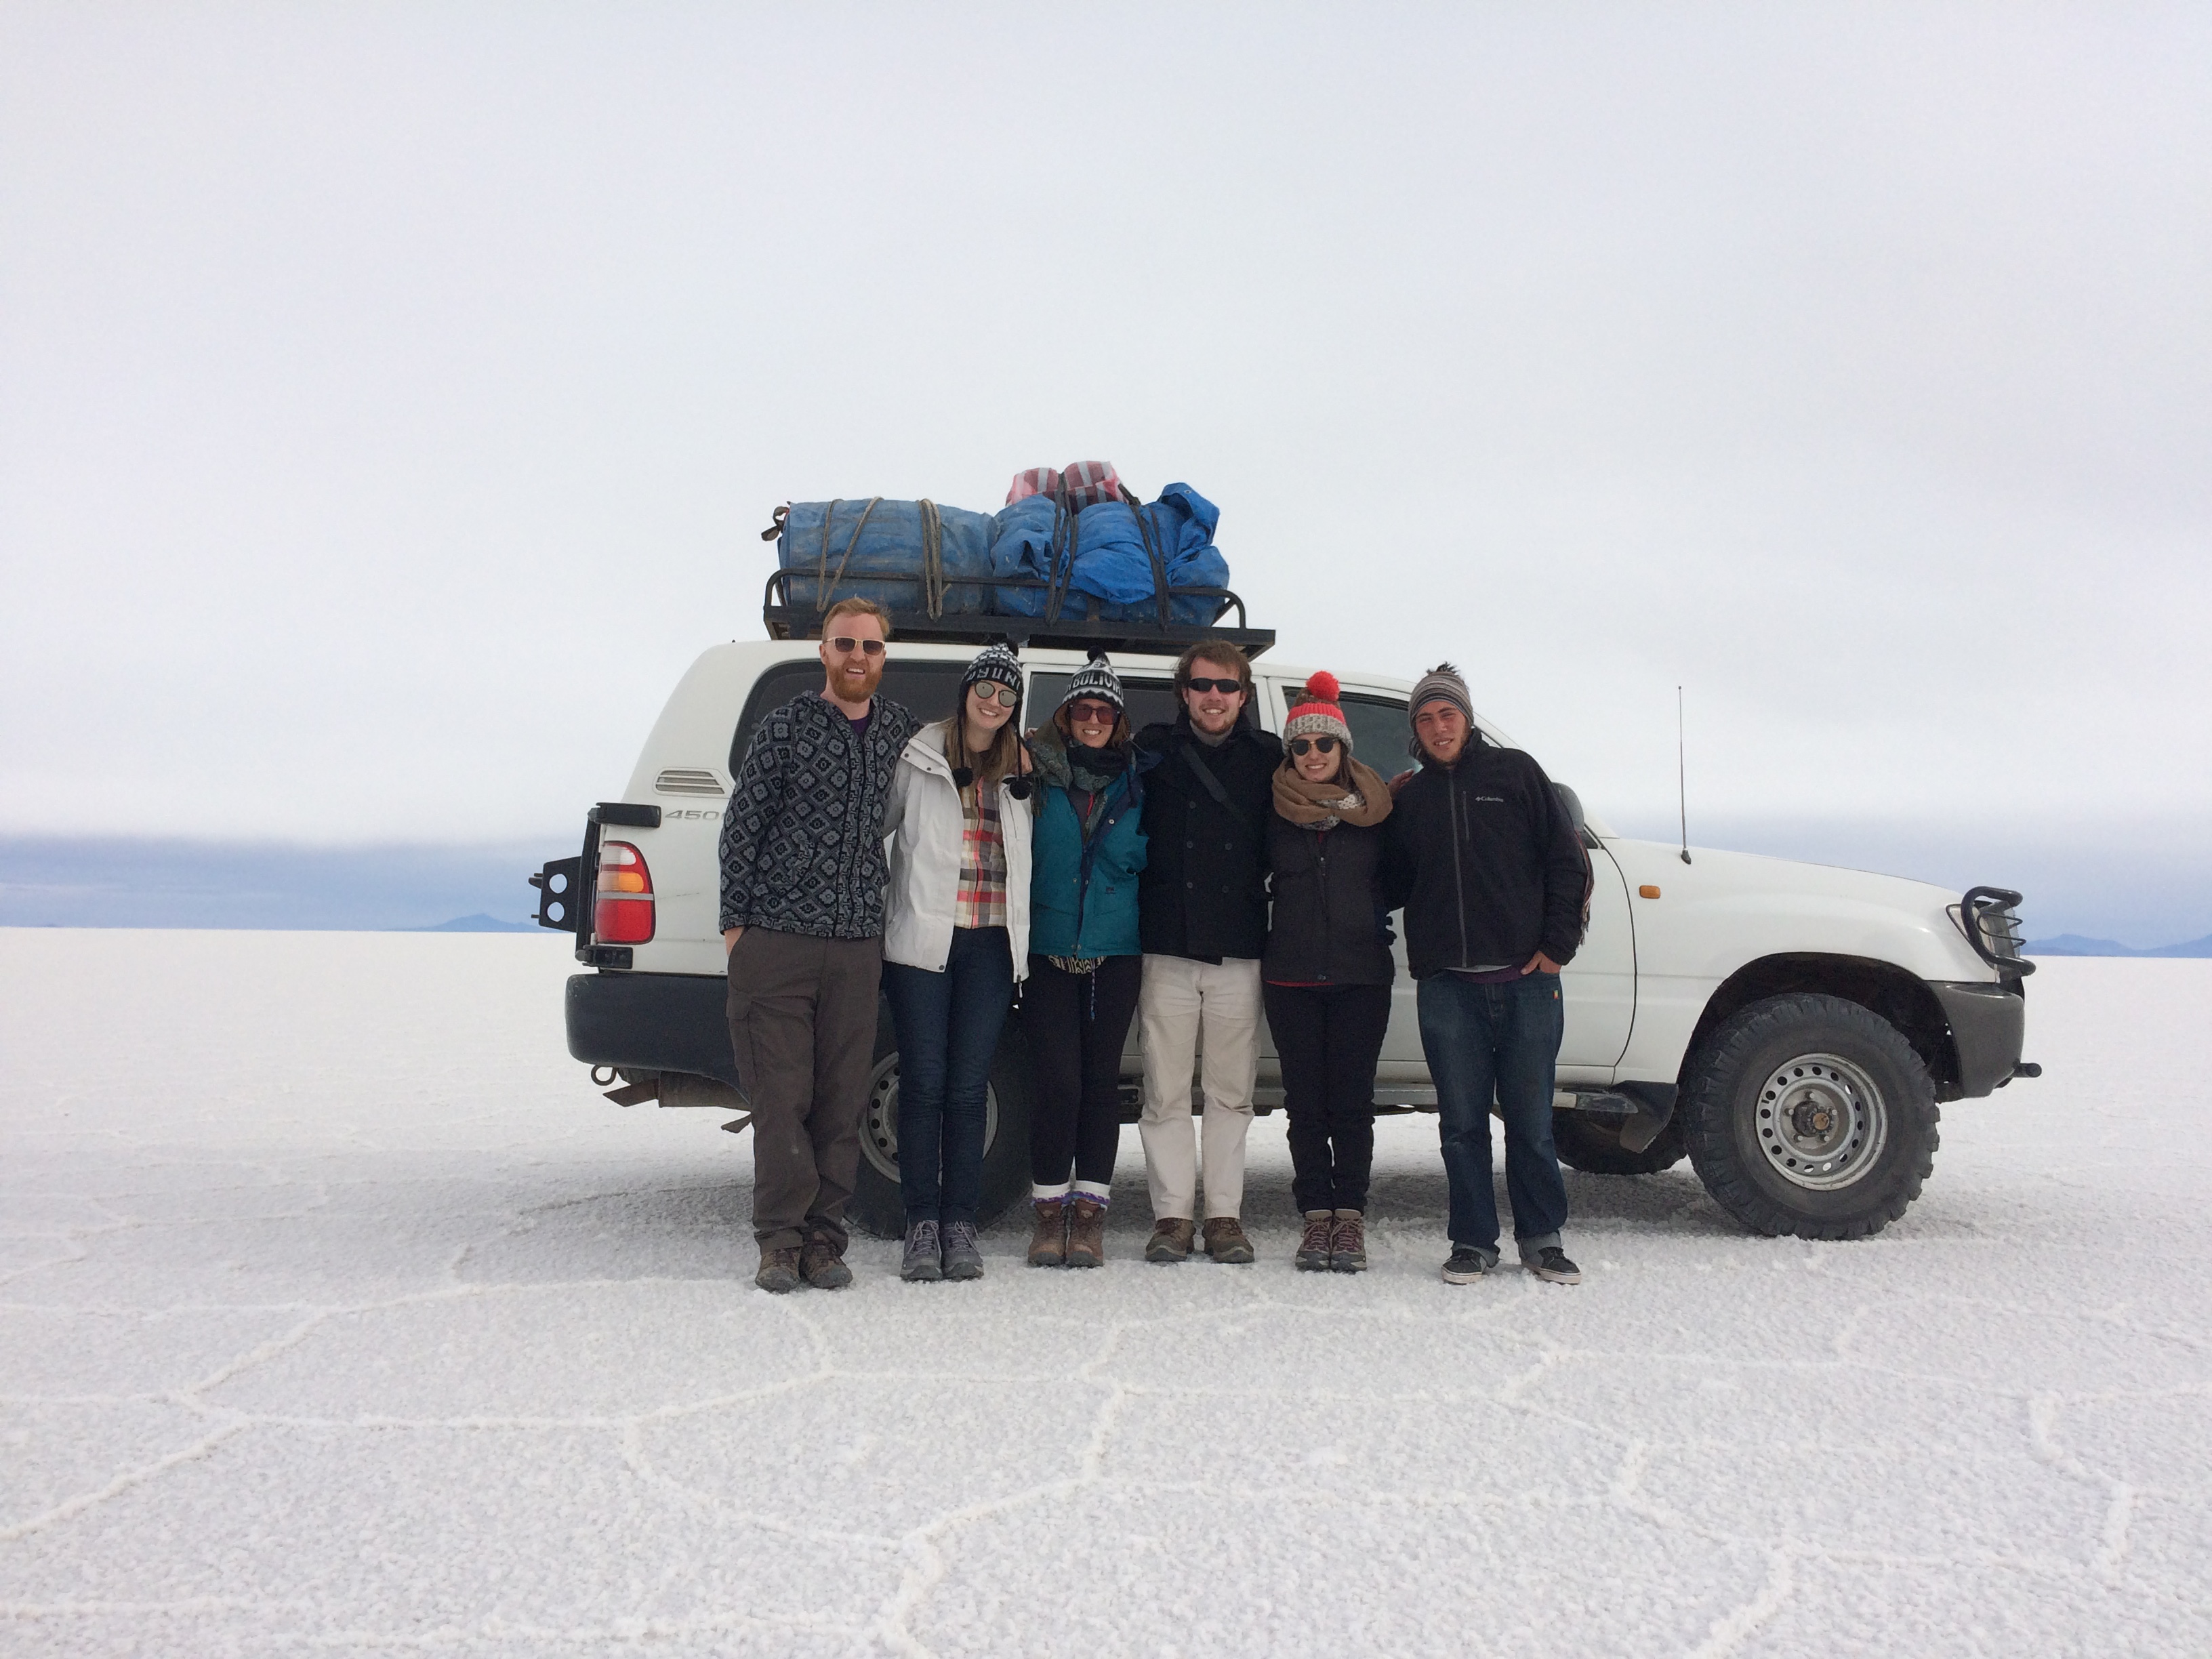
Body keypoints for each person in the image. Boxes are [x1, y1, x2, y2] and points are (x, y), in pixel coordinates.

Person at [718, 597, 921, 1293]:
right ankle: (779, 1241)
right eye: (845, 644)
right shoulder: (785, 727)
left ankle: (824, 1243)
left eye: (870, 646)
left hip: (857, 945)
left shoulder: (899, 732)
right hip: (777, 942)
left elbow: (968, 751)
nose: (857, 657)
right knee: (781, 1100)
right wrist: (738, 930)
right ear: (824, 651)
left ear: (884, 656)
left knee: (840, 1103)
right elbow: (741, 831)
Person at [1382, 663, 1590, 1286]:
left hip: (1528, 983)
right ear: (1416, 731)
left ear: (1467, 719)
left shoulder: (1516, 773)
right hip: (1449, 988)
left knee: (1531, 1123)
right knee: (1462, 1127)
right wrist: (1379, 810)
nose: (1438, 727)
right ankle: (1473, 1241)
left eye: (1447, 714)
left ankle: (1543, 1240)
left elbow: (1567, 861)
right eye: (1425, 718)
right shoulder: (1412, 799)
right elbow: (1390, 884)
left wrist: (1556, 948)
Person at [881, 644, 1034, 1283]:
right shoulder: (919, 756)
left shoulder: (1023, 767)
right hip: (924, 942)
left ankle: (960, 1223)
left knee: (970, 1089)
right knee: (923, 1083)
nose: (994, 703)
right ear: (967, 690)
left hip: (992, 945)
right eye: (985, 689)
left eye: (1007, 695)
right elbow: (873, 828)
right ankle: (921, 1222)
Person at [1134, 640, 1283, 1264]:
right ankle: (1172, 1217)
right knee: (1165, 1092)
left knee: (1230, 1093)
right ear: (1184, 693)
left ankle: (1224, 1217)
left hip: (1239, 947)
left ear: (1243, 695)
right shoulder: (1151, 751)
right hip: (1166, 944)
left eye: (1226, 686)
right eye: (1202, 686)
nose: (1213, 697)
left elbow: (1323, 792)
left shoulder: (1270, 757)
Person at [1020, 655, 1151, 1269]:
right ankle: (1049, 1214)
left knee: (1101, 1084)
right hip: (1048, 948)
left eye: (1104, 711)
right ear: (1065, 715)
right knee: (1057, 1082)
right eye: (1082, 709)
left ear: (1119, 721)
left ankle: (1090, 1217)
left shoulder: (1140, 782)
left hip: (1114, 951)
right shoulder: (1034, 774)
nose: (1093, 720)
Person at [1263, 671, 1395, 1273]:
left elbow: (1399, 879)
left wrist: (1369, 917)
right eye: (1301, 745)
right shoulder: (1272, 811)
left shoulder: (1376, 812)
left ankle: (1352, 1217)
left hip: (1360, 976)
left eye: (1323, 744)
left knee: (1352, 1103)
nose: (1312, 755)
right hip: (1290, 976)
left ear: (1343, 748)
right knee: (1306, 1105)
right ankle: (1317, 1215)